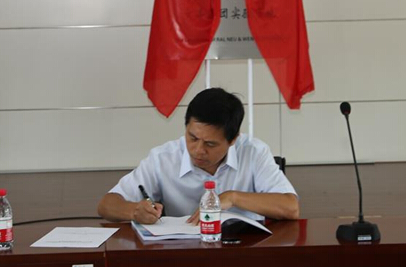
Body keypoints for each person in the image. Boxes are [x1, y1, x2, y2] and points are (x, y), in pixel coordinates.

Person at [97, 87, 298, 224]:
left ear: (233, 140)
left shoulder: (254, 152)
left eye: (210, 144)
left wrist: (232, 197)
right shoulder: (164, 158)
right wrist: (134, 211)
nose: (198, 150)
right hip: (185, 255)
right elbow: (106, 205)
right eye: (192, 138)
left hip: (245, 253)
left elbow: (291, 208)